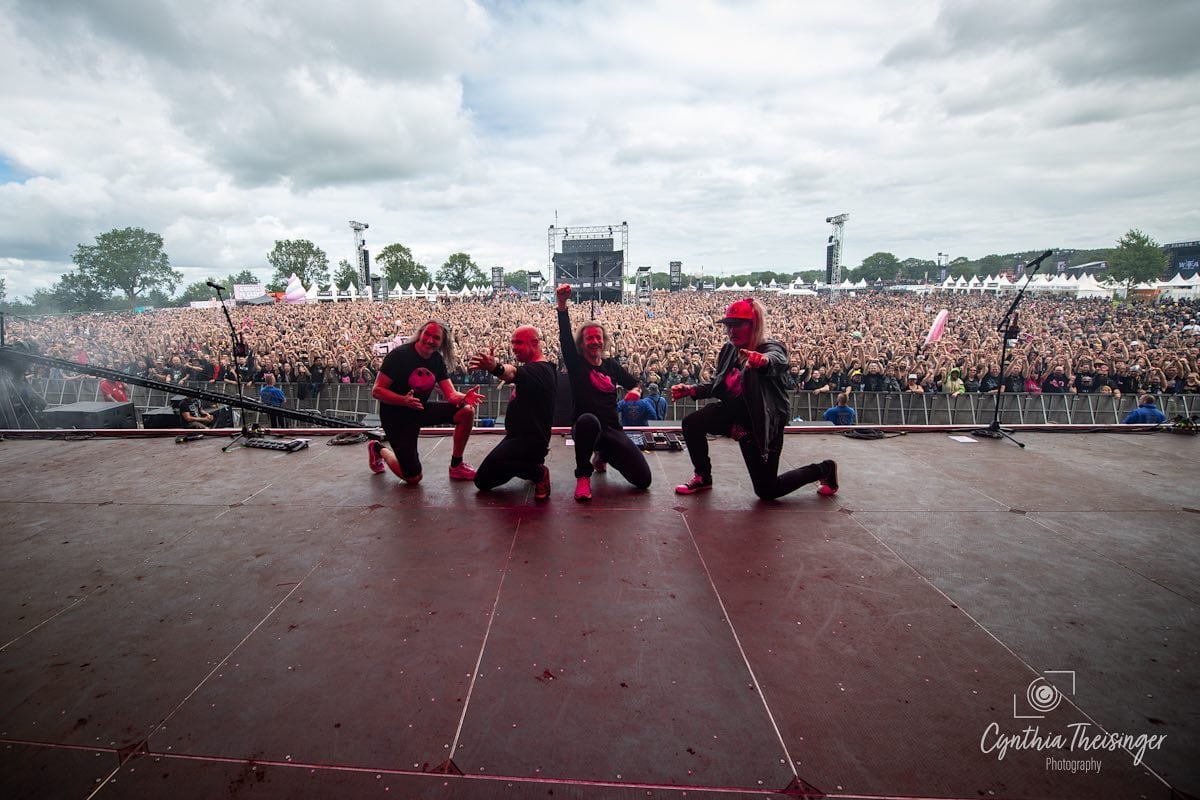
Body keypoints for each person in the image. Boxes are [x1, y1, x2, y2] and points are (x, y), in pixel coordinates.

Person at [672, 298, 838, 500]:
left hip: (760, 423)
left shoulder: (770, 348)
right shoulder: (729, 349)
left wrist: (763, 361)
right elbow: (721, 385)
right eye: (729, 326)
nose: (732, 331)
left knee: (767, 490)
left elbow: (778, 360)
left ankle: (824, 469)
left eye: (738, 325)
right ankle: (703, 477)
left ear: (754, 325)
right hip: (732, 415)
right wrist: (692, 390)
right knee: (692, 423)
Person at [555, 284, 652, 501]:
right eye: (590, 338)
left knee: (643, 480)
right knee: (589, 421)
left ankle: (602, 455)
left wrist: (636, 391)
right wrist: (562, 305)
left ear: (604, 340)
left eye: (598, 338)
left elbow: (637, 382)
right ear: (582, 343)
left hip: (611, 430)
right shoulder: (576, 363)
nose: (595, 342)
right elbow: (564, 337)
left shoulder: (611, 366)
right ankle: (583, 476)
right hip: (584, 428)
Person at [367, 320, 483, 484]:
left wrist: (464, 398)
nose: (429, 340)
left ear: (442, 343)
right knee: (413, 478)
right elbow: (377, 390)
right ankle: (378, 448)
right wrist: (403, 400)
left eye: (435, 337)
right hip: (396, 416)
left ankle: (456, 466)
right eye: (427, 334)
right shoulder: (399, 356)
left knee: (466, 411)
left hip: (419, 409)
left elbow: (450, 394)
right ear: (420, 333)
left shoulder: (436, 360)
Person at [469, 325, 557, 499]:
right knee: (490, 476)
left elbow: (512, 373)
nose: (514, 347)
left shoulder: (541, 370)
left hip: (528, 442)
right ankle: (531, 464)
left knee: (481, 481)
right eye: (512, 343)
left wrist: (496, 368)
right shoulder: (536, 368)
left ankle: (538, 473)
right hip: (519, 439)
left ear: (535, 343)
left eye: (519, 343)